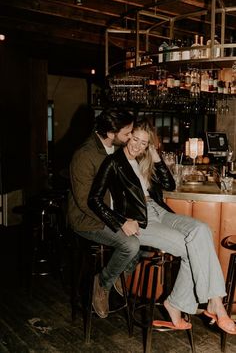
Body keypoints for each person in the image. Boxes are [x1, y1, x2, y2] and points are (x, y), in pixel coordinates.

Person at [88, 118, 236, 334]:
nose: (137, 146)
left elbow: (170, 184)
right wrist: (121, 222)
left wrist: (155, 155)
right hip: (140, 221)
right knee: (192, 250)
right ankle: (208, 303)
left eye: (144, 143)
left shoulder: (144, 159)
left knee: (201, 230)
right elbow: (94, 199)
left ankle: (194, 303)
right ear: (128, 136)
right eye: (135, 139)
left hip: (160, 212)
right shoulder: (113, 163)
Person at [68, 109, 140, 319]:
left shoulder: (115, 149)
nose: (130, 138)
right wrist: (120, 222)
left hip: (115, 215)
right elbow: (85, 203)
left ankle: (117, 274)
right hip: (88, 220)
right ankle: (102, 283)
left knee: (151, 237)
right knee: (132, 245)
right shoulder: (85, 155)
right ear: (110, 132)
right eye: (127, 133)